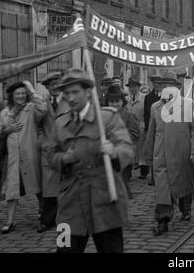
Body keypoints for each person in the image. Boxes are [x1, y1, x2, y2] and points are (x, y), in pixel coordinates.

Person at [47, 68, 133, 253]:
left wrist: (114, 151)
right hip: (70, 202)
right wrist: (64, 158)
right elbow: (50, 156)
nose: (70, 97)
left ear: (87, 92)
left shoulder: (107, 118)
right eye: (67, 93)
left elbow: (126, 148)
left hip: (104, 198)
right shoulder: (60, 124)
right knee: (64, 249)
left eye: (75, 92)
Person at [142, 71, 194, 235]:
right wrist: (148, 156)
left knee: (183, 183)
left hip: (182, 151)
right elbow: (151, 133)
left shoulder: (189, 105)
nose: (168, 89)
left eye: (172, 86)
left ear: (177, 88)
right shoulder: (156, 107)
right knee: (162, 188)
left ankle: (185, 208)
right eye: (164, 86)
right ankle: (163, 219)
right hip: (161, 153)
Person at [0, 81, 47, 234]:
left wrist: (32, 90)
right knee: (12, 187)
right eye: (17, 94)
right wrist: (7, 130)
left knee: (37, 186)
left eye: (23, 93)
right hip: (13, 156)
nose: (20, 96)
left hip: (29, 153)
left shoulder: (31, 108)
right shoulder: (5, 112)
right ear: (12, 96)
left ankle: (43, 215)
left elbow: (42, 109)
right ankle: (10, 220)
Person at [37, 72, 66, 233]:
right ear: (47, 88)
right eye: (51, 84)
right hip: (48, 151)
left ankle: (66, 217)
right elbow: (39, 126)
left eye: (57, 83)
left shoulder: (70, 102)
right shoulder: (43, 104)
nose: (54, 87)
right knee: (48, 187)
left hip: (66, 150)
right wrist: (42, 141)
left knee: (67, 185)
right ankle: (47, 220)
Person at [104, 84, 140, 199]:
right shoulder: (103, 117)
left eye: (117, 101)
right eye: (111, 101)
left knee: (120, 181)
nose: (114, 104)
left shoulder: (129, 116)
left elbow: (135, 134)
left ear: (122, 102)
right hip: (107, 155)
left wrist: (121, 141)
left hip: (124, 155)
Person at [125, 77, 148, 180]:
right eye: (131, 87)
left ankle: (144, 171)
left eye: (134, 86)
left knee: (142, 149)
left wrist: (144, 124)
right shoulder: (126, 99)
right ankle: (128, 172)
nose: (132, 89)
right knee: (130, 150)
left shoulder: (144, 98)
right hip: (130, 128)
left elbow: (146, 112)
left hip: (141, 125)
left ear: (138, 87)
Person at [143, 75, 162, 186]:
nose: (157, 85)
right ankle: (153, 176)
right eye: (155, 83)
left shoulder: (165, 97)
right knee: (152, 152)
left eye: (159, 84)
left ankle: (160, 175)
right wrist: (148, 127)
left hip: (161, 128)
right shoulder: (148, 97)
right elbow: (146, 114)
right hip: (151, 128)